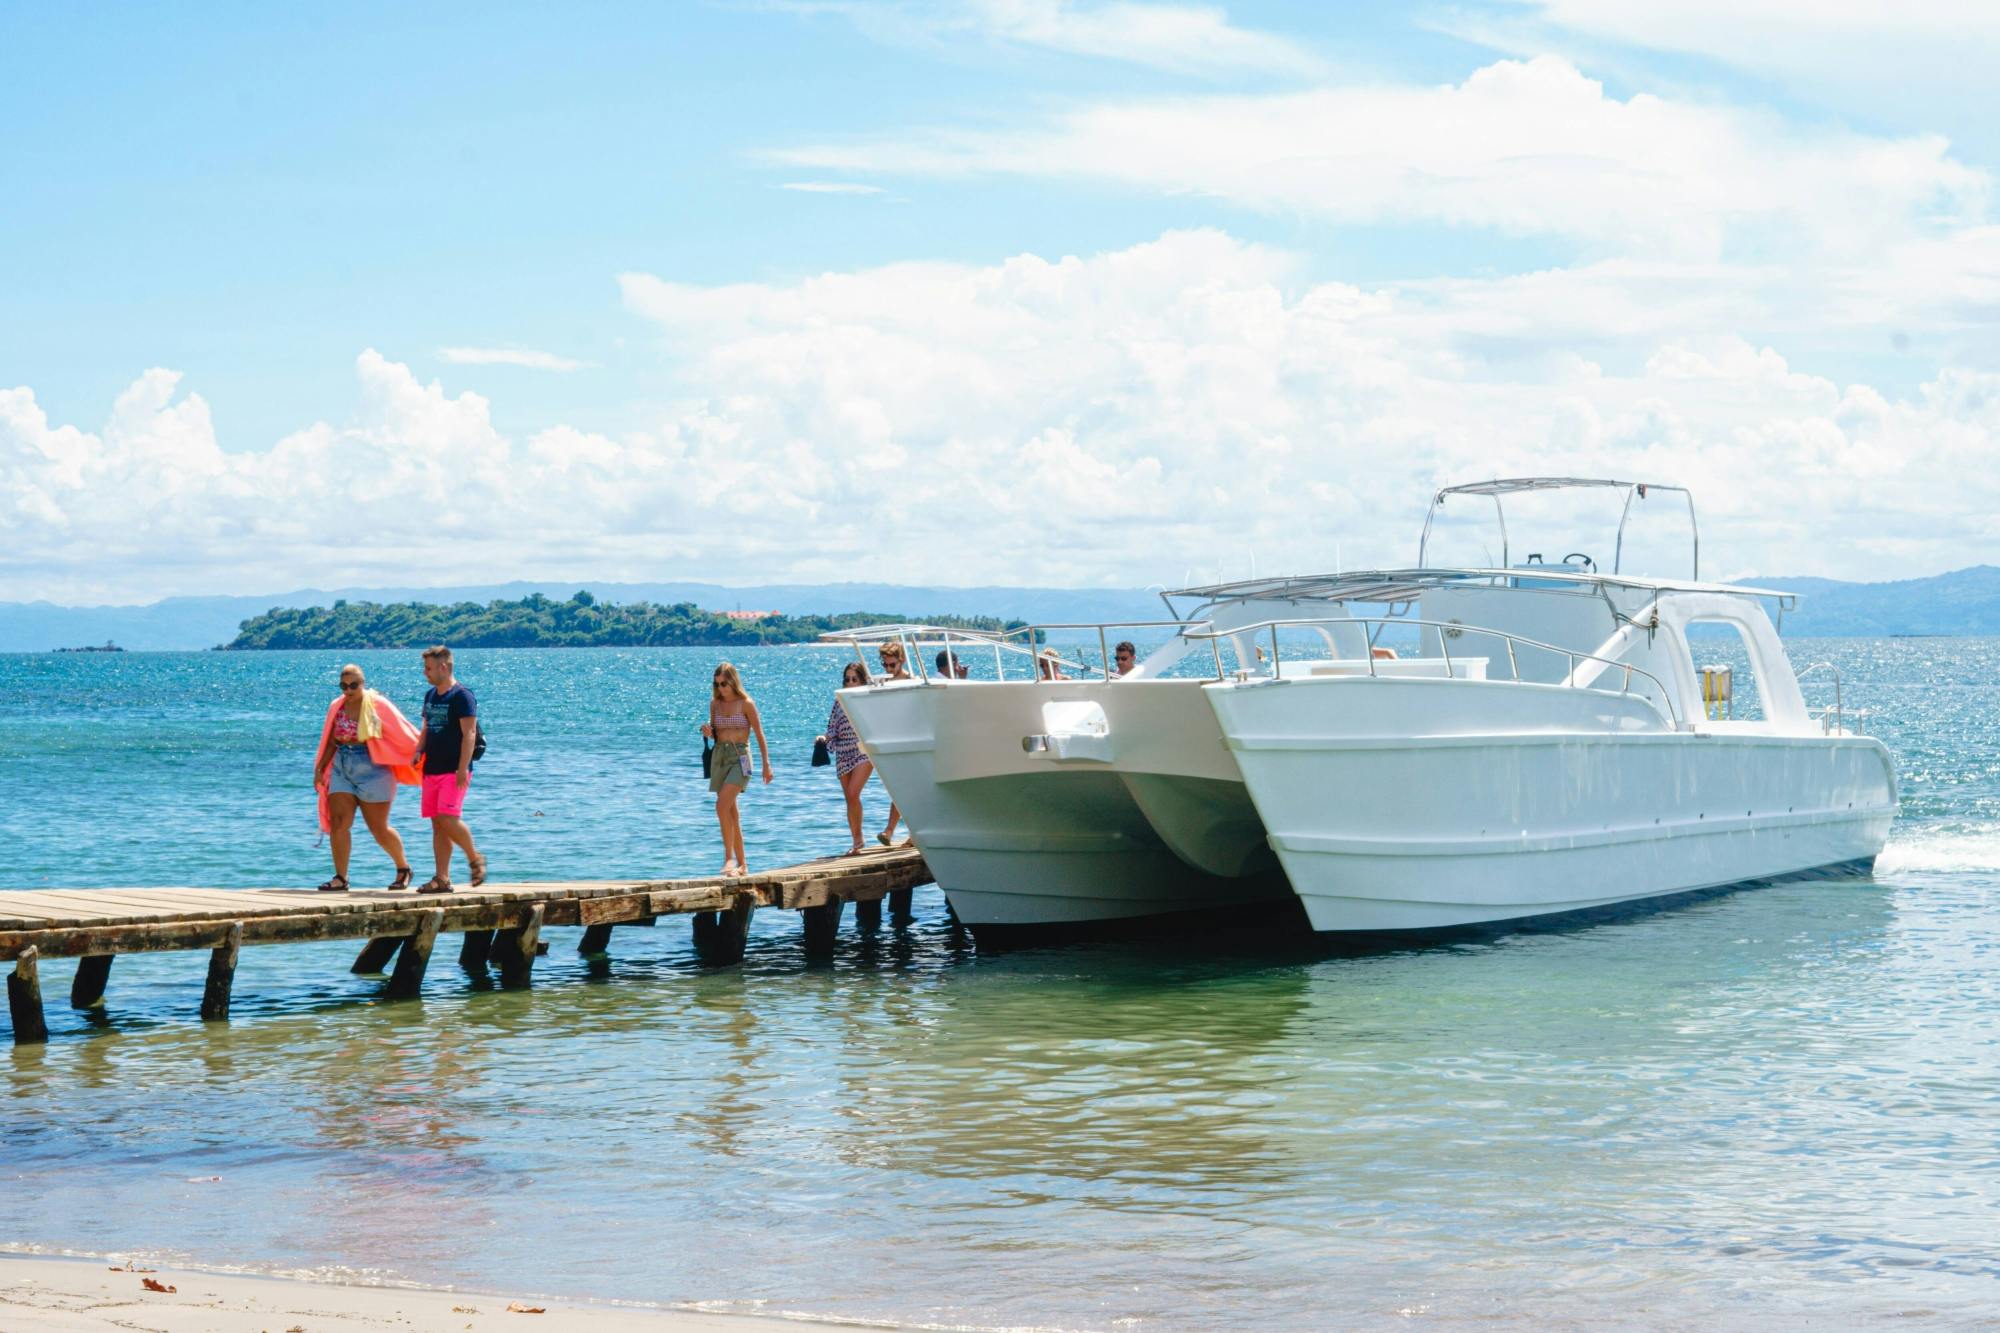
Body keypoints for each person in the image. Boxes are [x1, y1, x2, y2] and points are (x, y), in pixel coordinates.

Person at [311, 664, 421, 891]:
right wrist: (320, 768)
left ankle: (403, 868)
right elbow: (332, 740)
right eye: (344, 685)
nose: (348, 690)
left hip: (374, 767)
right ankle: (341, 878)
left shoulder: (378, 704)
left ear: (363, 683)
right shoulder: (337, 706)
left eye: (353, 685)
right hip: (343, 764)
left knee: (378, 828)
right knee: (339, 823)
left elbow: (403, 732)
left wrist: (422, 753)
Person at [417, 645, 485, 893]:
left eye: (429, 668)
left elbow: (469, 733)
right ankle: (442, 879)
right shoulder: (430, 696)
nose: (425, 673)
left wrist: (462, 769)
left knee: (448, 818)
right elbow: (426, 728)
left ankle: (474, 859)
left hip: (453, 770)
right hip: (431, 768)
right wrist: (418, 751)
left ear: (443, 667)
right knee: (438, 824)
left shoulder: (462, 696)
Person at [703, 661, 772, 877]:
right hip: (720, 756)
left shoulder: (746, 704)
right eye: (717, 684)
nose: (721, 688)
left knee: (721, 805)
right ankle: (743, 864)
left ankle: (728, 858)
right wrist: (707, 732)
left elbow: (760, 735)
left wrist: (766, 765)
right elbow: (716, 734)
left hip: (741, 757)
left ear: (733, 682)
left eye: (724, 683)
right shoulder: (715, 704)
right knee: (731, 812)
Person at [818, 661, 874, 854]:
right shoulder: (839, 700)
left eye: (854, 679)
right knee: (849, 798)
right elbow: (832, 727)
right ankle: (856, 840)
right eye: (847, 679)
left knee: (853, 793)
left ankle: (859, 841)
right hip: (843, 751)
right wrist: (823, 738)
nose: (850, 683)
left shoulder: (868, 700)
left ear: (862, 680)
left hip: (862, 751)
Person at [873, 642, 911, 845]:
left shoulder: (911, 681)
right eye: (885, 665)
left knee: (906, 788)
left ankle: (892, 831)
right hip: (891, 741)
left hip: (908, 741)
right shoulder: (882, 682)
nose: (888, 669)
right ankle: (892, 831)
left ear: (901, 661)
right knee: (899, 789)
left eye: (892, 665)